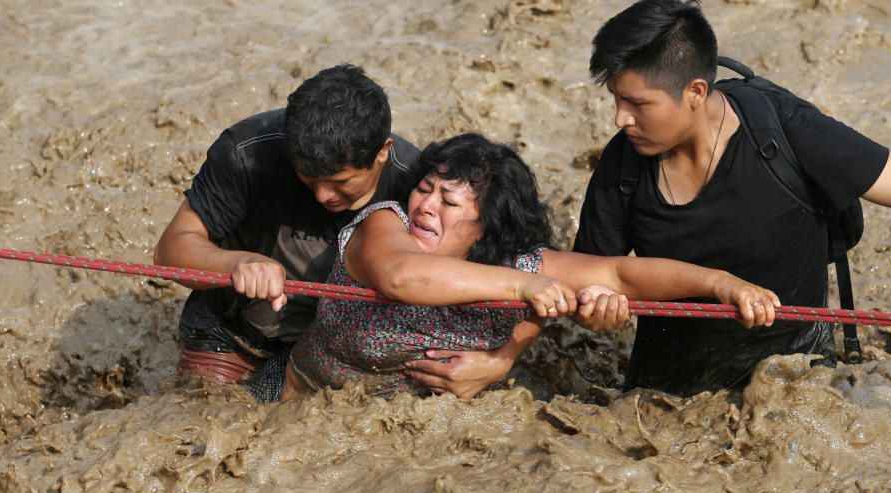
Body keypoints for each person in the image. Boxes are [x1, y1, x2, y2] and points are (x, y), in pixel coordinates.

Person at [572, 0, 891, 396]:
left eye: (637, 103)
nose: (620, 118)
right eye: (616, 99)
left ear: (695, 92)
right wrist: (595, 314)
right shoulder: (621, 167)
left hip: (796, 377)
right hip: (667, 389)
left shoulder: (785, 132)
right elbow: (588, 278)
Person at [244, 133, 781, 402]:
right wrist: (528, 287)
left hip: (411, 433)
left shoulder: (518, 261)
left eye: (449, 203)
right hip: (295, 401)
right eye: (424, 190)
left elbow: (622, 275)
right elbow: (402, 279)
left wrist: (720, 284)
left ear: (486, 227)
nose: (425, 206)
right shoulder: (382, 226)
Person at [153, 64, 421, 383]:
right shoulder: (246, 152)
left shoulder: (417, 184)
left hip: (348, 347)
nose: (322, 196)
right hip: (235, 336)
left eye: (340, 182)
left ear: (382, 152)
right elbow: (170, 250)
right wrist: (239, 263)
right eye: (308, 179)